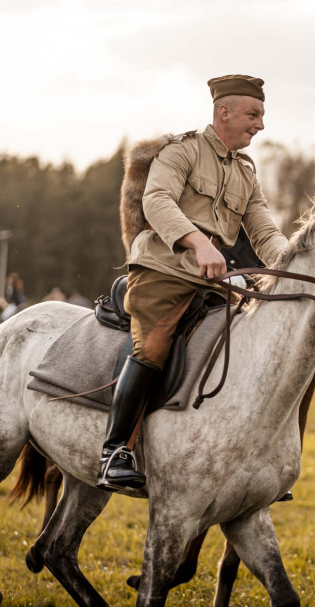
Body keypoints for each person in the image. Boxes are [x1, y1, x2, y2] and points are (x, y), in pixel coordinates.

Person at [98, 74, 290, 493]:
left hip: (215, 281)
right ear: (224, 112)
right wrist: (199, 242)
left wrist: (292, 259)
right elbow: (156, 200)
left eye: (261, 116)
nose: (259, 125)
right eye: (253, 115)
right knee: (153, 345)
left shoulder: (246, 172)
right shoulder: (181, 151)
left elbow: (262, 230)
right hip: (162, 270)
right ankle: (115, 452)